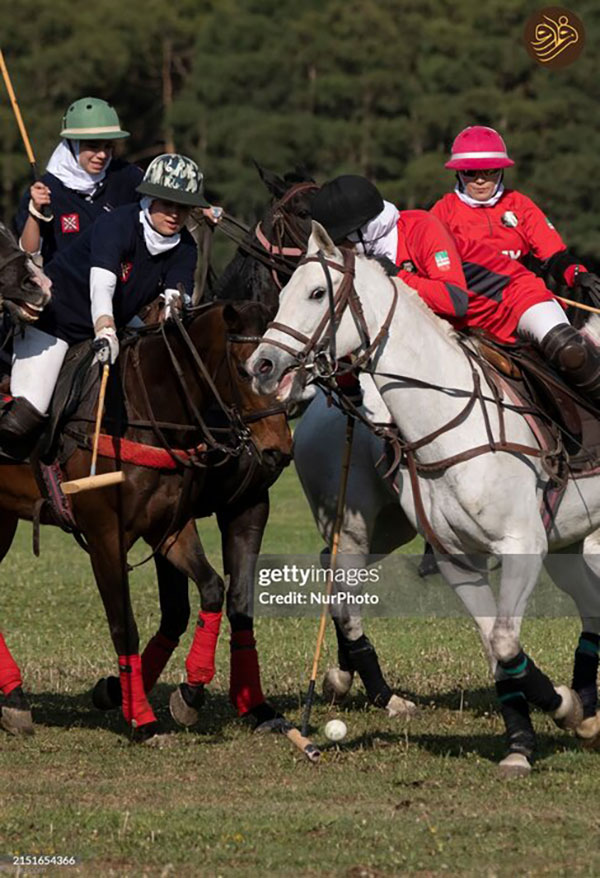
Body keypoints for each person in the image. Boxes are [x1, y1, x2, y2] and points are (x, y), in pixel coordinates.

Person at [310, 175, 600, 406]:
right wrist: (349, 387)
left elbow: (454, 301)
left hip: (514, 301)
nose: (341, 247)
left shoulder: (421, 226)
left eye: (343, 239)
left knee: (570, 351)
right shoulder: (364, 258)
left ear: (363, 230)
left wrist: (398, 276)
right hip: (462, 330)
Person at [0, 154, 207, 459]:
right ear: (149, 198)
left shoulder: (185, 246)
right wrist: (106, 328)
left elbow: (177, 299)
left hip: (119, 320)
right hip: (57, 321)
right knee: (26, 416)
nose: (175, 215)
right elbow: (102, 283)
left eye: (184, 207)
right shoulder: (118, 224)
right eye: (167, 203)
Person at [430, 125, 600, 310]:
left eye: (489, 171)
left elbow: (554, 256)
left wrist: (578, 274)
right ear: (458, 174)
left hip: (521, 301)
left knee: (565, 337)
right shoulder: (442, 211)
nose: (480, 180)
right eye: (470, 172)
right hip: (467, 306)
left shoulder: (520, 205)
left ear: (501, 171)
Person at [14, 97, 143, 264]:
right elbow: (28, 252)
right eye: (93, 146)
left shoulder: (128, 176)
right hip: (64, 286)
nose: (103, 155)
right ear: (72, 145)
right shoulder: (45, 189)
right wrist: (35, 212)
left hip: (120, 286)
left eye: (108, 146)